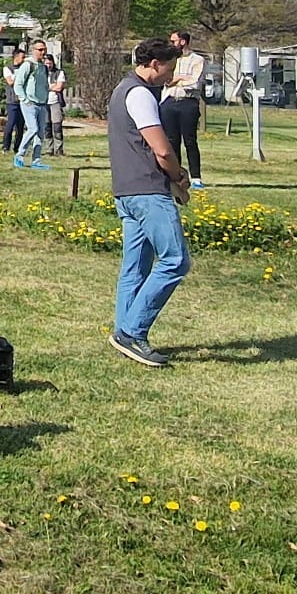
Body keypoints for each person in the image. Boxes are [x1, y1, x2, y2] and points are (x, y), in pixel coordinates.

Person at [108, 37, 193, 368]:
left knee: (136, 266)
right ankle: (132, 332)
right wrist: (178, 176)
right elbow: (160, 149)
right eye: (168, 70)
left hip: (126, 191)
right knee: (175, 260)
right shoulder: (140, 94)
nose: (169, 77)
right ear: (154, 64)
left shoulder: (120, 89)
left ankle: (124, 329)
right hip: (147, 192)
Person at [160, 30, 206, 190]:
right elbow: (166, 81)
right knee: (172, 141)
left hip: (188, 103)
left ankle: (196, 177)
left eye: (174, 41)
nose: (171, 44)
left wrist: (176, 79)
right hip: (169, 102)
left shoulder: (198, 60)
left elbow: (195, 83)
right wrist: (181, 78)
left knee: (190, 141)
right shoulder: (170, 60)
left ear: (183, 42)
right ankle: (176, 175)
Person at [13, 40, 52, 169]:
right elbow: (18, 84)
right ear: (33, 50)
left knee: (40, 133)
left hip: (41, 104)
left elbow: (44, 85)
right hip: (29, 103)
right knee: (33, 129)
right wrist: (24, 100)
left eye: (44, 49)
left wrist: (46, 98)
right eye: (40, 50)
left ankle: (36, 160)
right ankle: (19, 154)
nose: (43, 52)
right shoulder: (27, 65)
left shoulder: (43, 67)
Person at [0, 48, 27, 156]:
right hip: (12, 101)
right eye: (22, 57)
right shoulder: (8, 68)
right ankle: (5, 146)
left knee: (20, 126)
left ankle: (18, 148)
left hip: (23, 101)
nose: (24, 59)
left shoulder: (25, 68)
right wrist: (20, 78)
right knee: (10, 125)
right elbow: (10, 82)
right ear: (16, 57)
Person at [43, 51, 68, 156]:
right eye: (46, 63)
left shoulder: (59, 73)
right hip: (44, 102)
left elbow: (59, 87)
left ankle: (59, 149)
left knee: (57, 126)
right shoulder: (41, 74)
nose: (48, 65)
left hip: (55, 102)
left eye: (50, 63)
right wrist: (51, 87)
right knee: (46, 126)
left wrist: (47, 87)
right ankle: (49, 149)